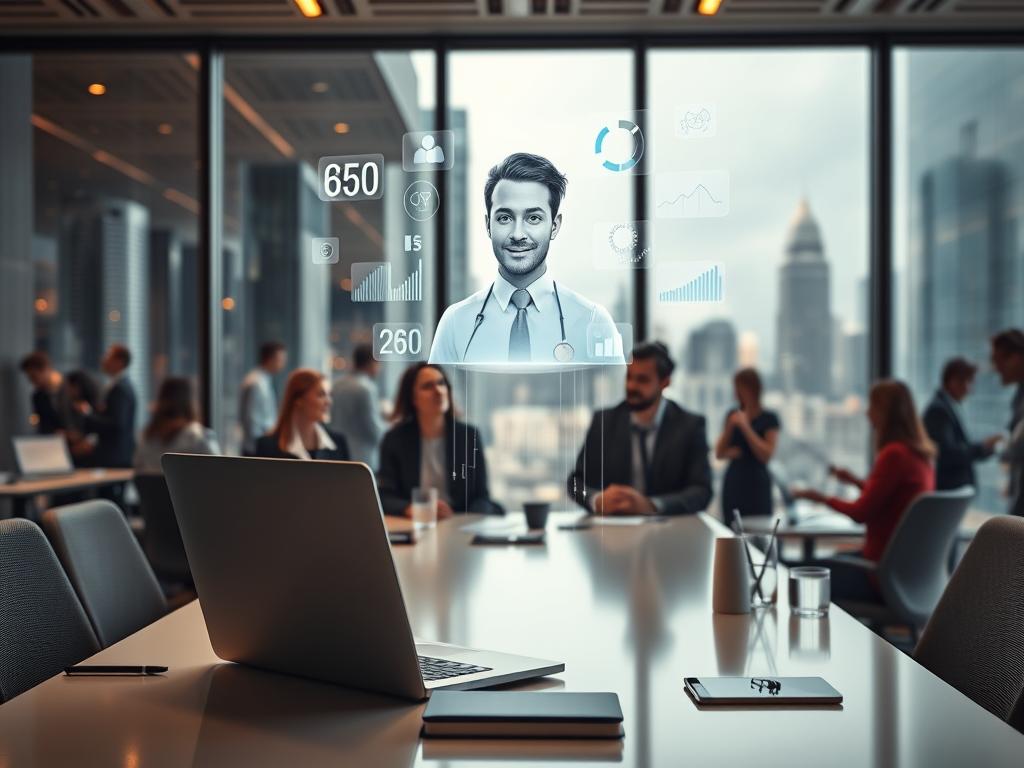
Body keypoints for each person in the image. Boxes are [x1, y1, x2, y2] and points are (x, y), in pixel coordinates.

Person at [429, 152, 622, 365]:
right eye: (504, 218)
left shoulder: (593, 321)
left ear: (554, 226)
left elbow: (615, 398)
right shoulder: (456, 323)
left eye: (533, 218)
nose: (518, 233)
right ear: (488, 225)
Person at [792, 380, 935, 600]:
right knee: (829, 560)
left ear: (886, 412)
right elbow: (888, 499)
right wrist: (854, 481)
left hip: (879, 574)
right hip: (906, 573)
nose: (867, 412)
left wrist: (820, 498)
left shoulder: (894, 454)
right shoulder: (919, 456)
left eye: (873, 406)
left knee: (794, 573)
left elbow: (861, 513)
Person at [568, 342, 712, 516]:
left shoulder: (690, 426)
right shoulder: (603, 422)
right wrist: (597, 500)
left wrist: (652, 505)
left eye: (642, 379)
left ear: (665, 382)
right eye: (629, 377)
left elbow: (702, 491)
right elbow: (575, 483)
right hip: (613, 531)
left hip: (670, 531)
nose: (631, 386)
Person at [376, 363, 500, 518]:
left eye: (441, 383)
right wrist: (413, 509)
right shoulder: (394, 439)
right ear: (413, 398)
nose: (438, 391)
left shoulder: (469, 437)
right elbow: (384, 496)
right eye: (427, 386)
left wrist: (457, 517)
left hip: (458, 524)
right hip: (415, 524)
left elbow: (482, 497)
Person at [922, 357, 1002, 491]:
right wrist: (982, 447)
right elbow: (946, 453)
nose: (968, 388)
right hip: (948, 489)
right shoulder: (939, 410)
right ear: (950, 380)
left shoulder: (946, 406)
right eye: (964, 381)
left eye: (970, 382)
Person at [715, 368, 781, 527]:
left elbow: (766, 455)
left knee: (759, 531)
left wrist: (745, 427)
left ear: (753, 388)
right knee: (731, 530)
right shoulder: (732, 414)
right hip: (735, 482)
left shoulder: (769, 418)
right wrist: (731, 426)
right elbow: (719, 453)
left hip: (757, 484)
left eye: (740, 387)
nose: (736, 392)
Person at [253, 368, 349, 461]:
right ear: (299, 400)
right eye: (321, 395)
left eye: (329, 395)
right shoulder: (267, 446)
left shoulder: (339, 443)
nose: (329, 401)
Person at [134, 378, 220, 474]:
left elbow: (138, 467)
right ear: (191, 401)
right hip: (188, 488)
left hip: (150, 488)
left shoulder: (148, 435)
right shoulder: (199, 436)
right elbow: (217, 471)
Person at [78, 344, 137, 468]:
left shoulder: (121, 388)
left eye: (107, 356)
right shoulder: (118, 385)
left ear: (119, 362)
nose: (102, 359)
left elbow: (116, 423)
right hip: (115, 454)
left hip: (115, 456)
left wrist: (88, 414)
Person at [330, 343, 386, 468]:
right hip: (362, 458)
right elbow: (374, 430)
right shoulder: (366, 388)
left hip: (337, 455)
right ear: (371, 363)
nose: (379, 368)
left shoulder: (337, 384)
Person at [991, 329, 1024, 517]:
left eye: (999, 360)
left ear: (1017, 357)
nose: (996, 368)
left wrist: (1000, 447)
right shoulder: (1019, 395)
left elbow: (1018, 446)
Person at [240, 341, 287, 456]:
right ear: (270, 359)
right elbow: (252, 421)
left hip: (260, 444)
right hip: (256, 448)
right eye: (280, 360)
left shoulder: (263, 380)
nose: (283, 364)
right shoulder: (256, 383)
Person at [18, 351, 72, 434]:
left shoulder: (71, 387)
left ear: (46, 369)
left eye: (34, 377)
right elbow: (38, 419)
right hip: (54, 441)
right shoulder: (38, 396)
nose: (32, 381)